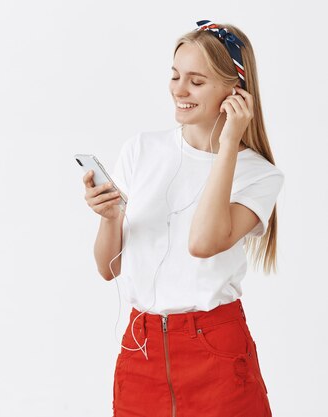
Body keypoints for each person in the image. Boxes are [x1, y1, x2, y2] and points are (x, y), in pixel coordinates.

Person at [82, 20, 283, 417]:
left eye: (196, 81)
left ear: (234, 91)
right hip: (140, 351)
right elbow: (110, 268)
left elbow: (203, 242)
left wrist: (227, 144)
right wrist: (109, 217)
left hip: (216, 351)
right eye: (175, 76)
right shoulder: (141, 149)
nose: (179, 90)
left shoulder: (258, 174)